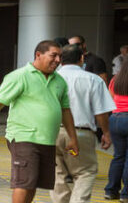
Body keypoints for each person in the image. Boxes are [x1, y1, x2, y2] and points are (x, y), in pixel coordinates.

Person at [0, 40, 79, 203]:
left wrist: (73, 138)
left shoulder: (59, 81)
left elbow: (65, 110)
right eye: (53, 55)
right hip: (23, 137)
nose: (57, 60)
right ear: (38, 55)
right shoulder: (19, 76)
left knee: (32, 183)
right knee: (24, 182)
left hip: (47, 140)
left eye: (60, 57)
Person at [52, 44, 113, 203]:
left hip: (51, 133)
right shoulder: (93, 79)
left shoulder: (50, 78)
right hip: (81, 133)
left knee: (56, 173)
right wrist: (106, 133)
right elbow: (101, 111)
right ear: (81, 58)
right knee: (84, 172)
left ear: (60, 60)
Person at [107, 53, 128, 200]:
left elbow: (110, 99)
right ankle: (126, 193)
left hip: (115, 118)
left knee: (118, 156)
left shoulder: (115, 79)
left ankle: (111, 190)